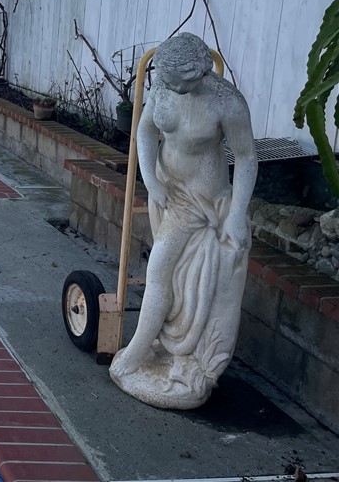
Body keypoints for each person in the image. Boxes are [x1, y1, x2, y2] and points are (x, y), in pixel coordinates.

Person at [109, 33, 257, 409]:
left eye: (177, 81)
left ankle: (137, 353)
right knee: (172, 277)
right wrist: (151, 179)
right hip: (168, 193)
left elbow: (246, 157)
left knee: (159, 269)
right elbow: (144, 130)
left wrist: (237, 214)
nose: (169, 86)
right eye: (165, 79)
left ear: (199, 74)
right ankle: (161, 349)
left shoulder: (226, 102)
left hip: (202, 202)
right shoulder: (162, 88)